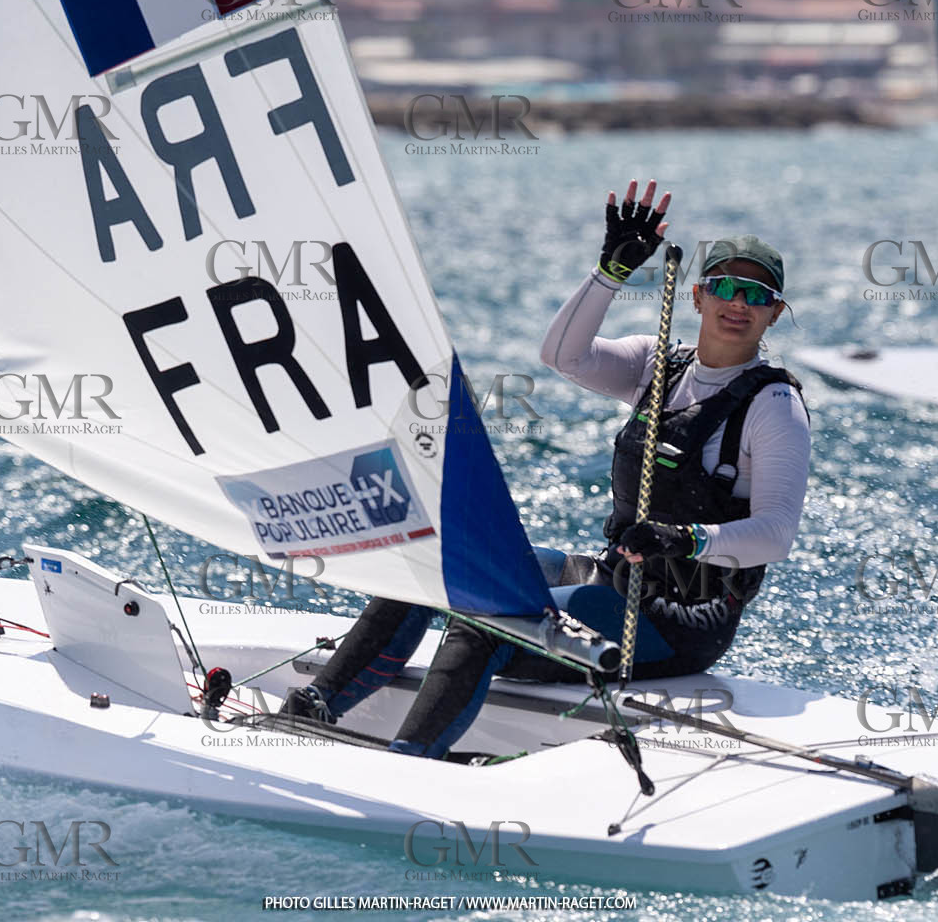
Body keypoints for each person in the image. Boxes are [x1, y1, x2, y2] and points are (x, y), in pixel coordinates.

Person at [281, 179, 811, 758]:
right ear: (698, 297)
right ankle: (316, 706)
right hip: (615, 579)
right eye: (726, 287)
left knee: (488, 618)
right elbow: (563, 355)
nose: (739, 304)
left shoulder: (774, 408)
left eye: (756, 296)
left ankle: (410, 759)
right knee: (444, 565)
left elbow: (776, 535)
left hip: (678, 619)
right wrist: (611, 270)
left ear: (775, 314)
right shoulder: (658, 363)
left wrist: (680, 539)